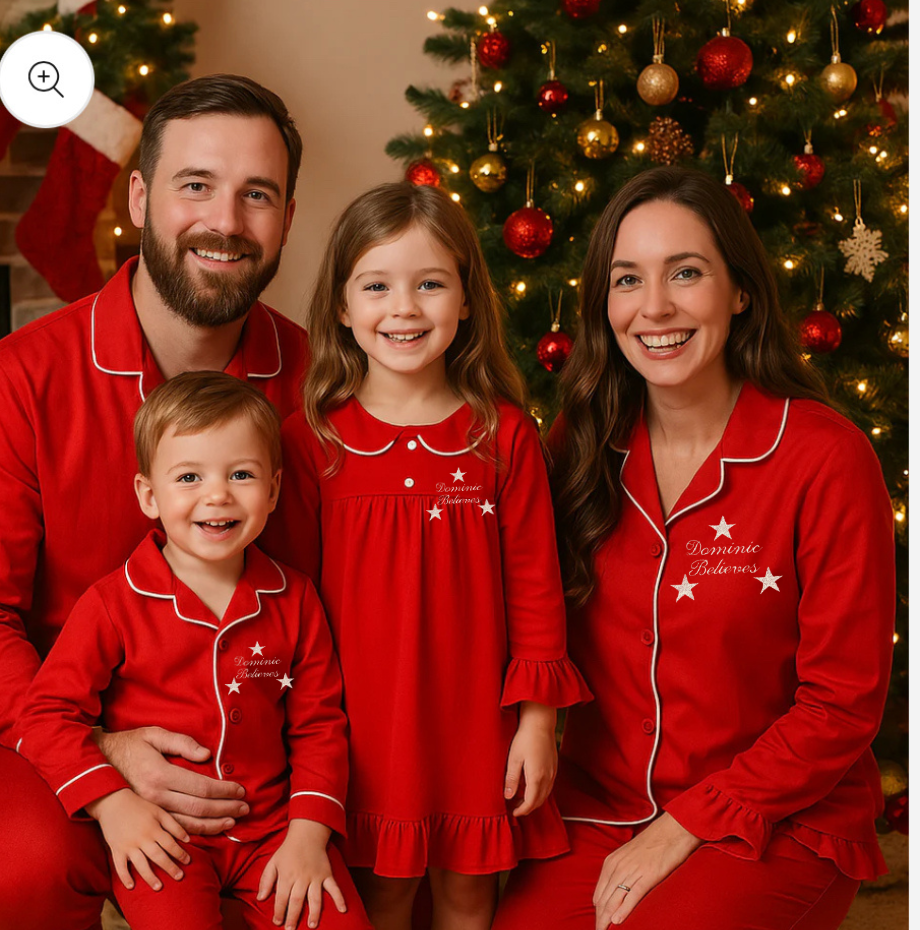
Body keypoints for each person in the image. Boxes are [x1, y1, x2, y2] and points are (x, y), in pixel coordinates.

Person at [492, 166, 896, 930]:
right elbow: (517, 610)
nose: (654, 307)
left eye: (685, 273)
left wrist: (685, 825)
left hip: (783, 818)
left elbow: (842, 703)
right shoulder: (577, 445)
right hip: (600, 808)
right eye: (627, 279)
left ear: (740, 290)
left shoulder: (825, 458)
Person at [0, 74, 309, 929]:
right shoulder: (23, 378)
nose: (226, 222)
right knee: (23, 869)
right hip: (52, 727)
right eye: (196, 185)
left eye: (257, 195)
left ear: (288, 217)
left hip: (257, 742)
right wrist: (98, 754)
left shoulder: (321, 380)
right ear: (139, 198)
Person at [260, 182, 591, 930]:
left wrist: (538, 724)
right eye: (377, 286)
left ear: (467, 300)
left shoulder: (502, 436)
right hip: (362, 726)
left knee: (469, 892)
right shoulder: (311, 441)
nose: (403, 308)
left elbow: (536, 588)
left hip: (475, 721)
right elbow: (289, 601)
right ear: (342, 306)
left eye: (430, 284)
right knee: (380, 893)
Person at [14, 373, 371, 930]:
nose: (218, 494)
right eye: (188, 477)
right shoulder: (112, 603)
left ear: (273, 490)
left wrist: (308, 834)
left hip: (277, 831)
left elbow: (320, 725)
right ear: (148, 496)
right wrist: (113, 804)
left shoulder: (296, 598)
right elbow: (44, 717)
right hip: (162, 834)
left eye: (241, 474)